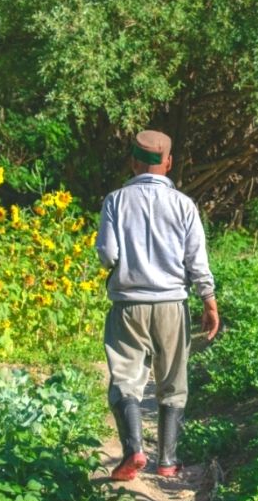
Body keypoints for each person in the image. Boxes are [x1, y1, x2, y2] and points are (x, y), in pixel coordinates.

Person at [94, 130, 220, 481]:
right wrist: (208, 301)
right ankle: (167, 460)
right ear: (169, 162)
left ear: (133, 161)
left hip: (128, 306)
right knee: (172, 383)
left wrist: (118, 267)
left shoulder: (116, 200)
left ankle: (134, 450)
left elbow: (107, 255)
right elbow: (197, 260)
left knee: (126, 378)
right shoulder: (184, 205)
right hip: (171, 305)